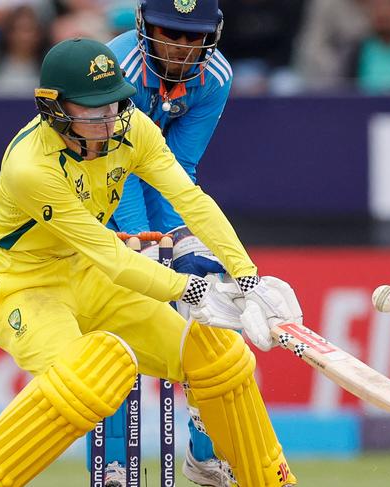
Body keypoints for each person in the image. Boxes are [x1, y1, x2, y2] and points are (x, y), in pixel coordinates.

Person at [0, 38, 300, 487]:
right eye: (93, 109)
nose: (109, 119)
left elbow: (189, 200)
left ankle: (267, 479)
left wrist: (248, 278)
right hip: (21, 287)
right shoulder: (30, 167)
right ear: (54, 109)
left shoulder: (133, 129)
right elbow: (109, 255)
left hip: (88, 275)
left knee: (217, 353)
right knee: (89, 375)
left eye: (114, 103)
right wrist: (193, 289)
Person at [103, 1, 236, 484]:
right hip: (94, 189)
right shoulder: (117, 70)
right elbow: (118, 170)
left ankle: (206, 454)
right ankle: (116, 463)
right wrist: (145, 241)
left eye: (192, 36)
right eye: (170, 33)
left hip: (158, 183)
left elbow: (176, 168)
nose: (181, 48)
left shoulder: (215, 76)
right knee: (119, 321)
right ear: (145, 26)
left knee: (210, 302)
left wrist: (180, 242)